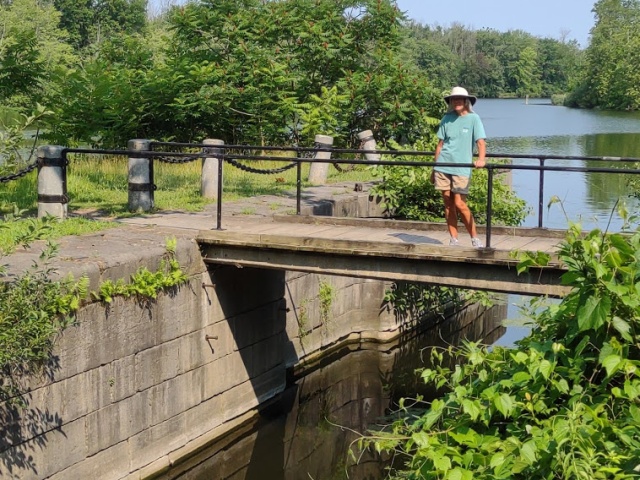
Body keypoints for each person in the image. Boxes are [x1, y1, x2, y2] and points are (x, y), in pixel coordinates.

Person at [433, 86, 486, 248]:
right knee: (448, 203)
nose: (456, 102)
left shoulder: (473, 119)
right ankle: (453, 239)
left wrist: (481, 159)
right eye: (453, 99)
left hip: (461, 168)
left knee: (460, 203)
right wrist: (434, 168)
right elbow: (440, 145)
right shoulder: (446, 118)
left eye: (459, 99)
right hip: (443, 166)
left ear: (466, 101)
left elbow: (481, 142)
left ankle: (474, 237)